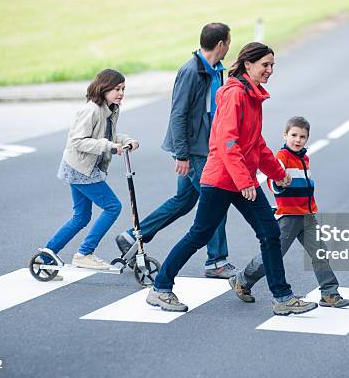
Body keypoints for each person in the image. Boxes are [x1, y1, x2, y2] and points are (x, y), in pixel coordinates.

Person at [146, 42, 318, 316]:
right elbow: (228, 142)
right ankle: (160, 288)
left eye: (272, 65)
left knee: (270, 233)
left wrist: (279, 174)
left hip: (241, 179)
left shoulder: (253, 96)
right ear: (248, 64)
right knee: (199, 234)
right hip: (221, 180)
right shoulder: (234, 94)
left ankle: (282, 297)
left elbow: (256, 143)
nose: (270, 70)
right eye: (265, 65)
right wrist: (245, 182)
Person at [115, 23, 235, 278]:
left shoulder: (215, 70)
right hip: (194, 150)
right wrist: (182, 155)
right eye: (229, 42)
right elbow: (178, 114)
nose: (229, 46)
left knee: (183, 201)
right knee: (215, 201)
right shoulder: (191, 71)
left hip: (206, 147)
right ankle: (216, 262)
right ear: (221, 44)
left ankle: (133, 235)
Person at [229, 116, 349, 308]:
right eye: (294, 135)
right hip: (288, 216)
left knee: (320, 252)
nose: (298, 140)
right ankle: (243, 280)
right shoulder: (282, 157)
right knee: (273, 255)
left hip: (308, 215)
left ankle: (329, 292)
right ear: (285, 135)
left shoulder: (304, 158)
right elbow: (273, 180)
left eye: (302, 137)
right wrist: (278, 183)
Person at [37, 69, 139, 277]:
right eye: (116, 89)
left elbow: (107, 134)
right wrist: (109, 146)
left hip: (84, 167)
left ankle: (48, 255)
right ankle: (85, 252)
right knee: (112, 207)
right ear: (103, 89)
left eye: (123, 89)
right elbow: (78, 140)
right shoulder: (91, 110)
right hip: (80, 168)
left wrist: (125, 140)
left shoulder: (112, 109)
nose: (120, 93)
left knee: (81, 216)